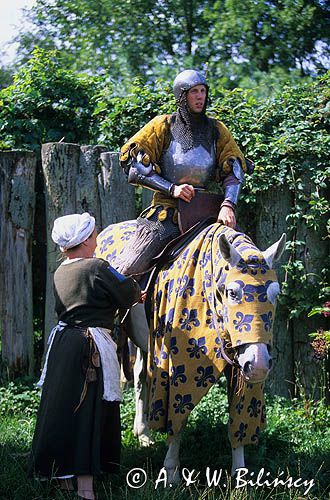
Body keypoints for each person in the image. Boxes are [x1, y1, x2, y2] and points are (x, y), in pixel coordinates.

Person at [29, 212, 142, 500]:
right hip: (88, 347)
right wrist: (135, 290)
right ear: (86, 240)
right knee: (87, 412)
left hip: (63, 345)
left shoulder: (60, 271)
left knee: (63, 411)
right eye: (94, 235)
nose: (96, 240)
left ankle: (65, 482)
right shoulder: (97, 267)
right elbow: (127, 292)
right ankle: (86, 489)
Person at [115, 69, 252, 275]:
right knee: (128, 269)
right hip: (167, 212)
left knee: (248, 263)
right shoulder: (162, 126)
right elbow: (135, 167)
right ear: (181, 95)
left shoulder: (217, 129)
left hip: (207, 214)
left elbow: (234, 168)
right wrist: (172, 189)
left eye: (203, 91)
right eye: (193, 91)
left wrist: (228, 205)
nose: (199, 97)